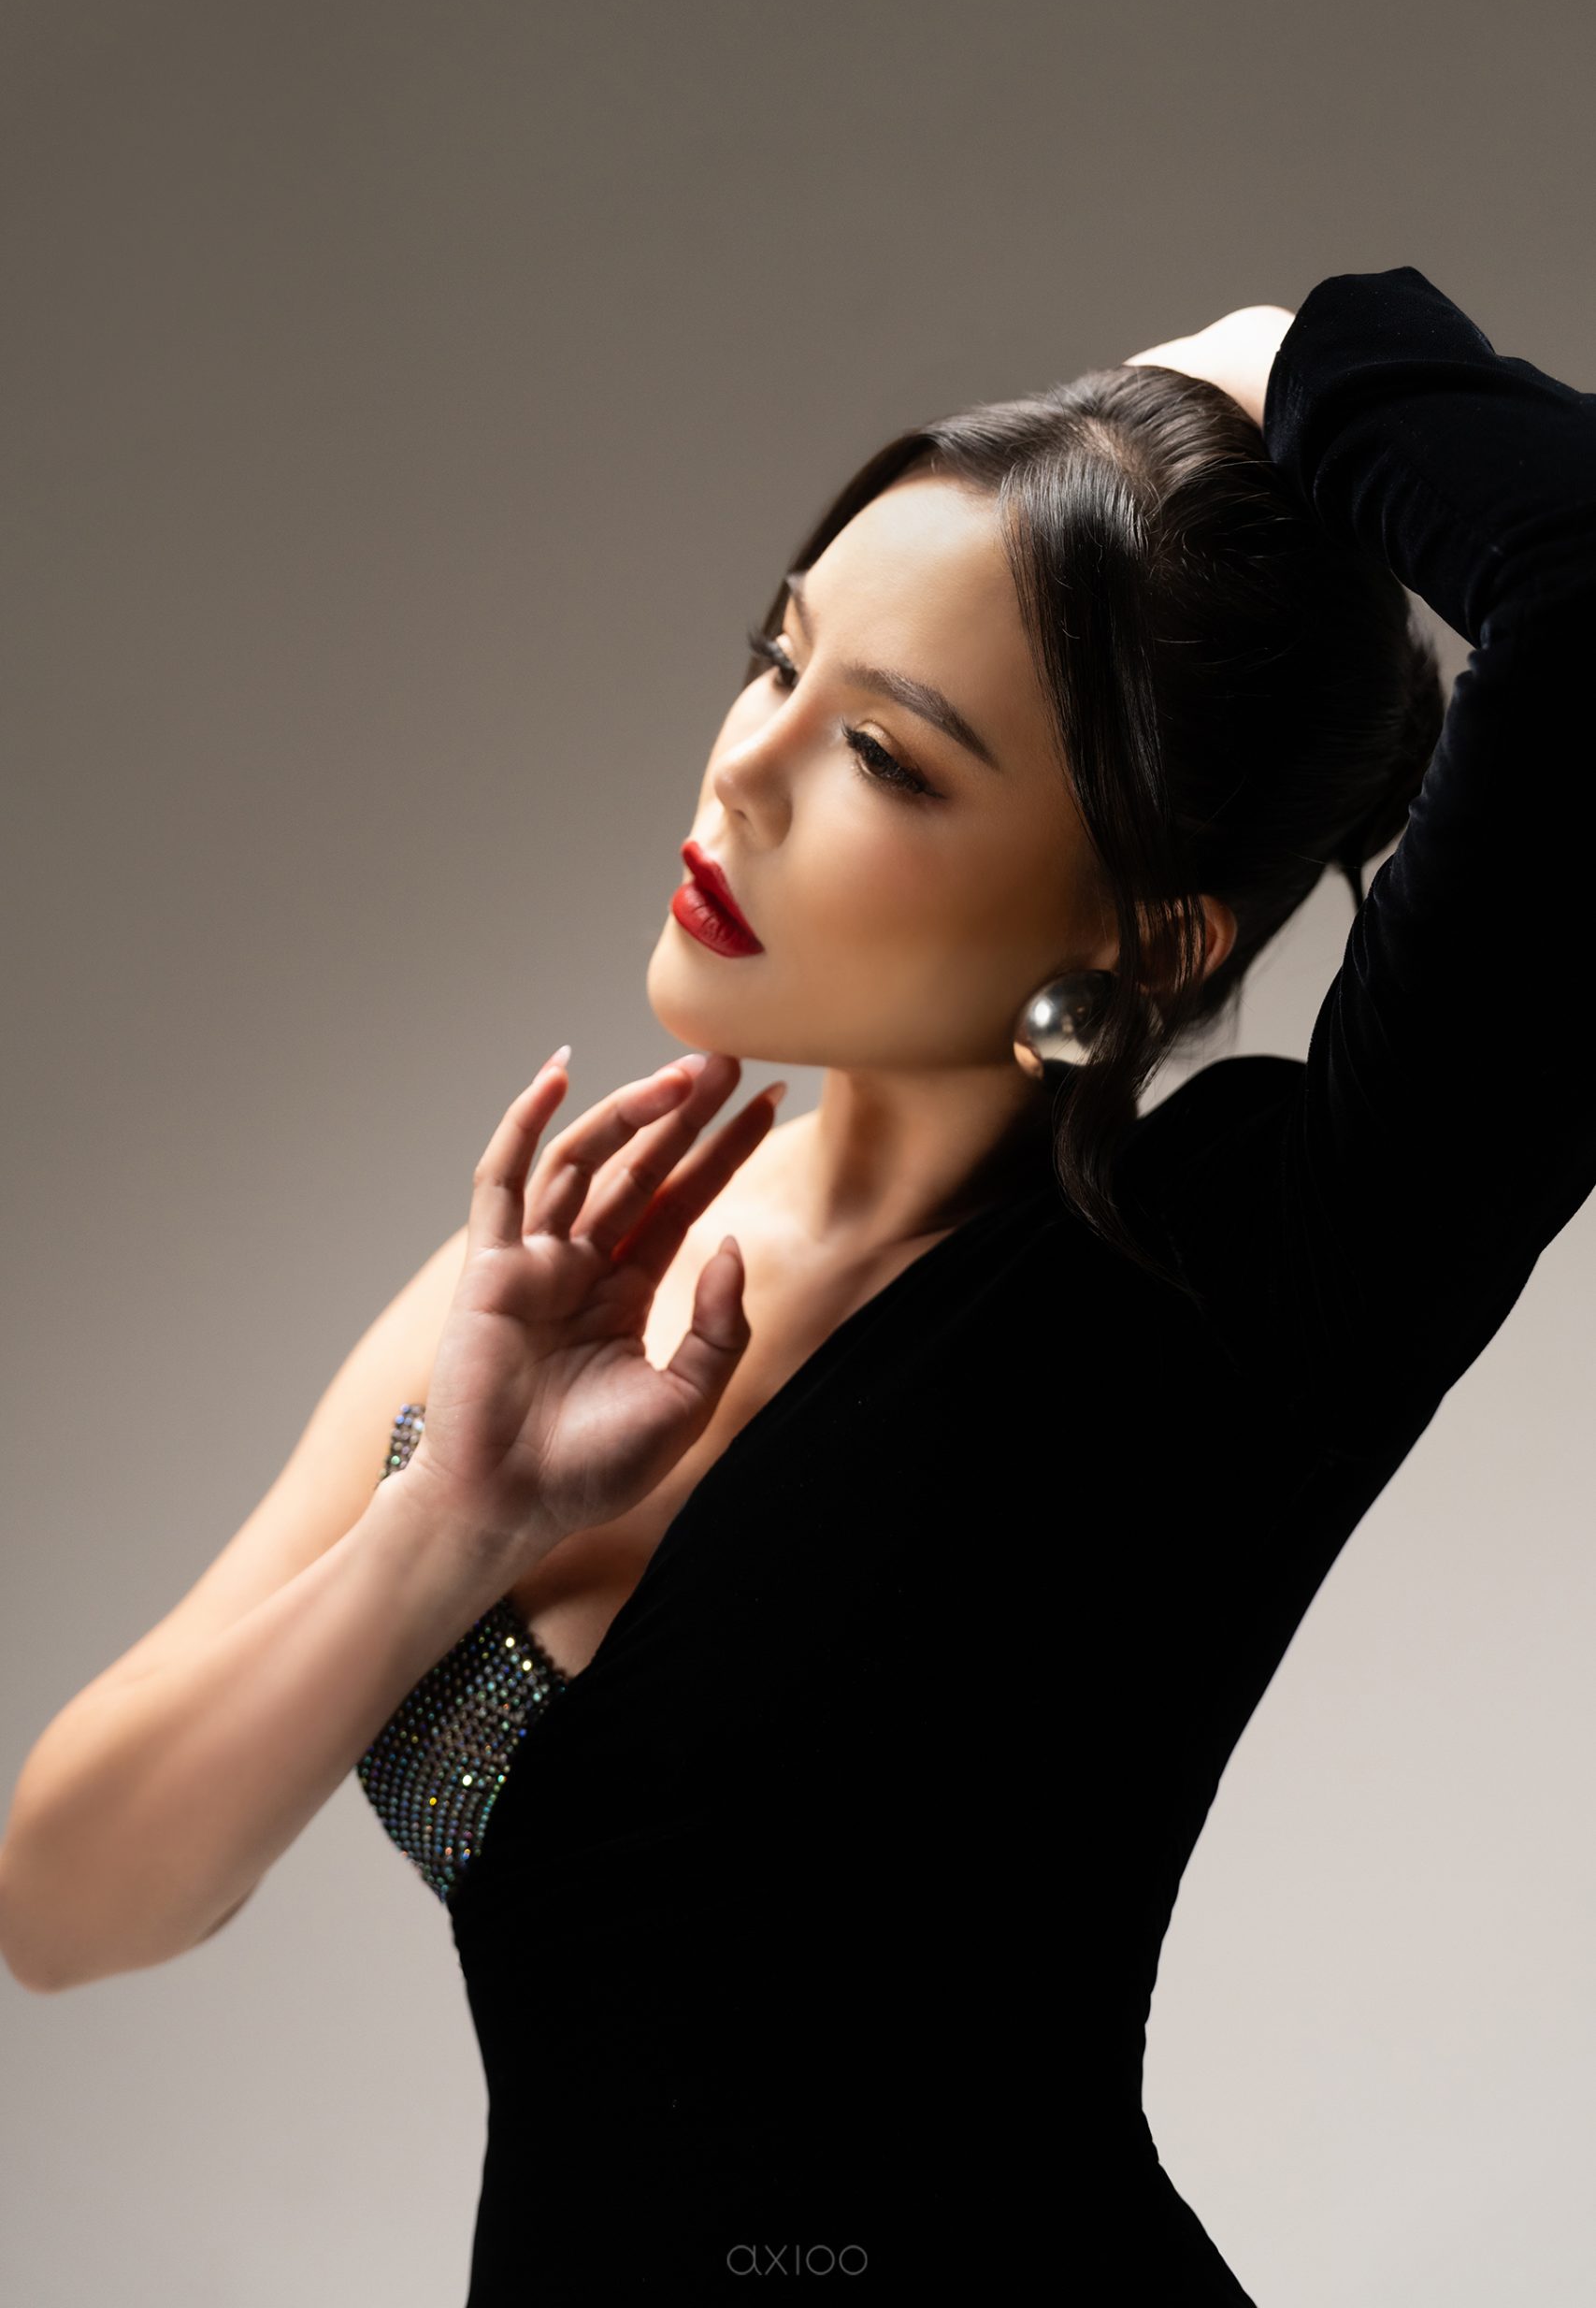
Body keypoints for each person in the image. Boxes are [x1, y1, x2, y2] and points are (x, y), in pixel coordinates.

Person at [4, 265, 1592, 2301]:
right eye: (777, 654)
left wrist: (1280, 353)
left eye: (888, 757)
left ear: (1150, 932)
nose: (742, 769)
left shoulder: (1246, 1268)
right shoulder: (573, 1272)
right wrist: (449, 1522)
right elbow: (67, 1904)